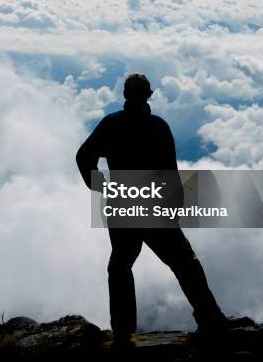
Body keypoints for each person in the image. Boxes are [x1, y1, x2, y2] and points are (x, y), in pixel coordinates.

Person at [76, 73, 229, 348]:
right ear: (149, 94)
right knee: (185, 262)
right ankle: (211, 319)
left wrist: (102, 187)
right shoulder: (158, 126)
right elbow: (170, 171)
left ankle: (123, 335)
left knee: (120, 266)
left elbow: (83, 156)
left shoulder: (111, 125)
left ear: (125, 94)